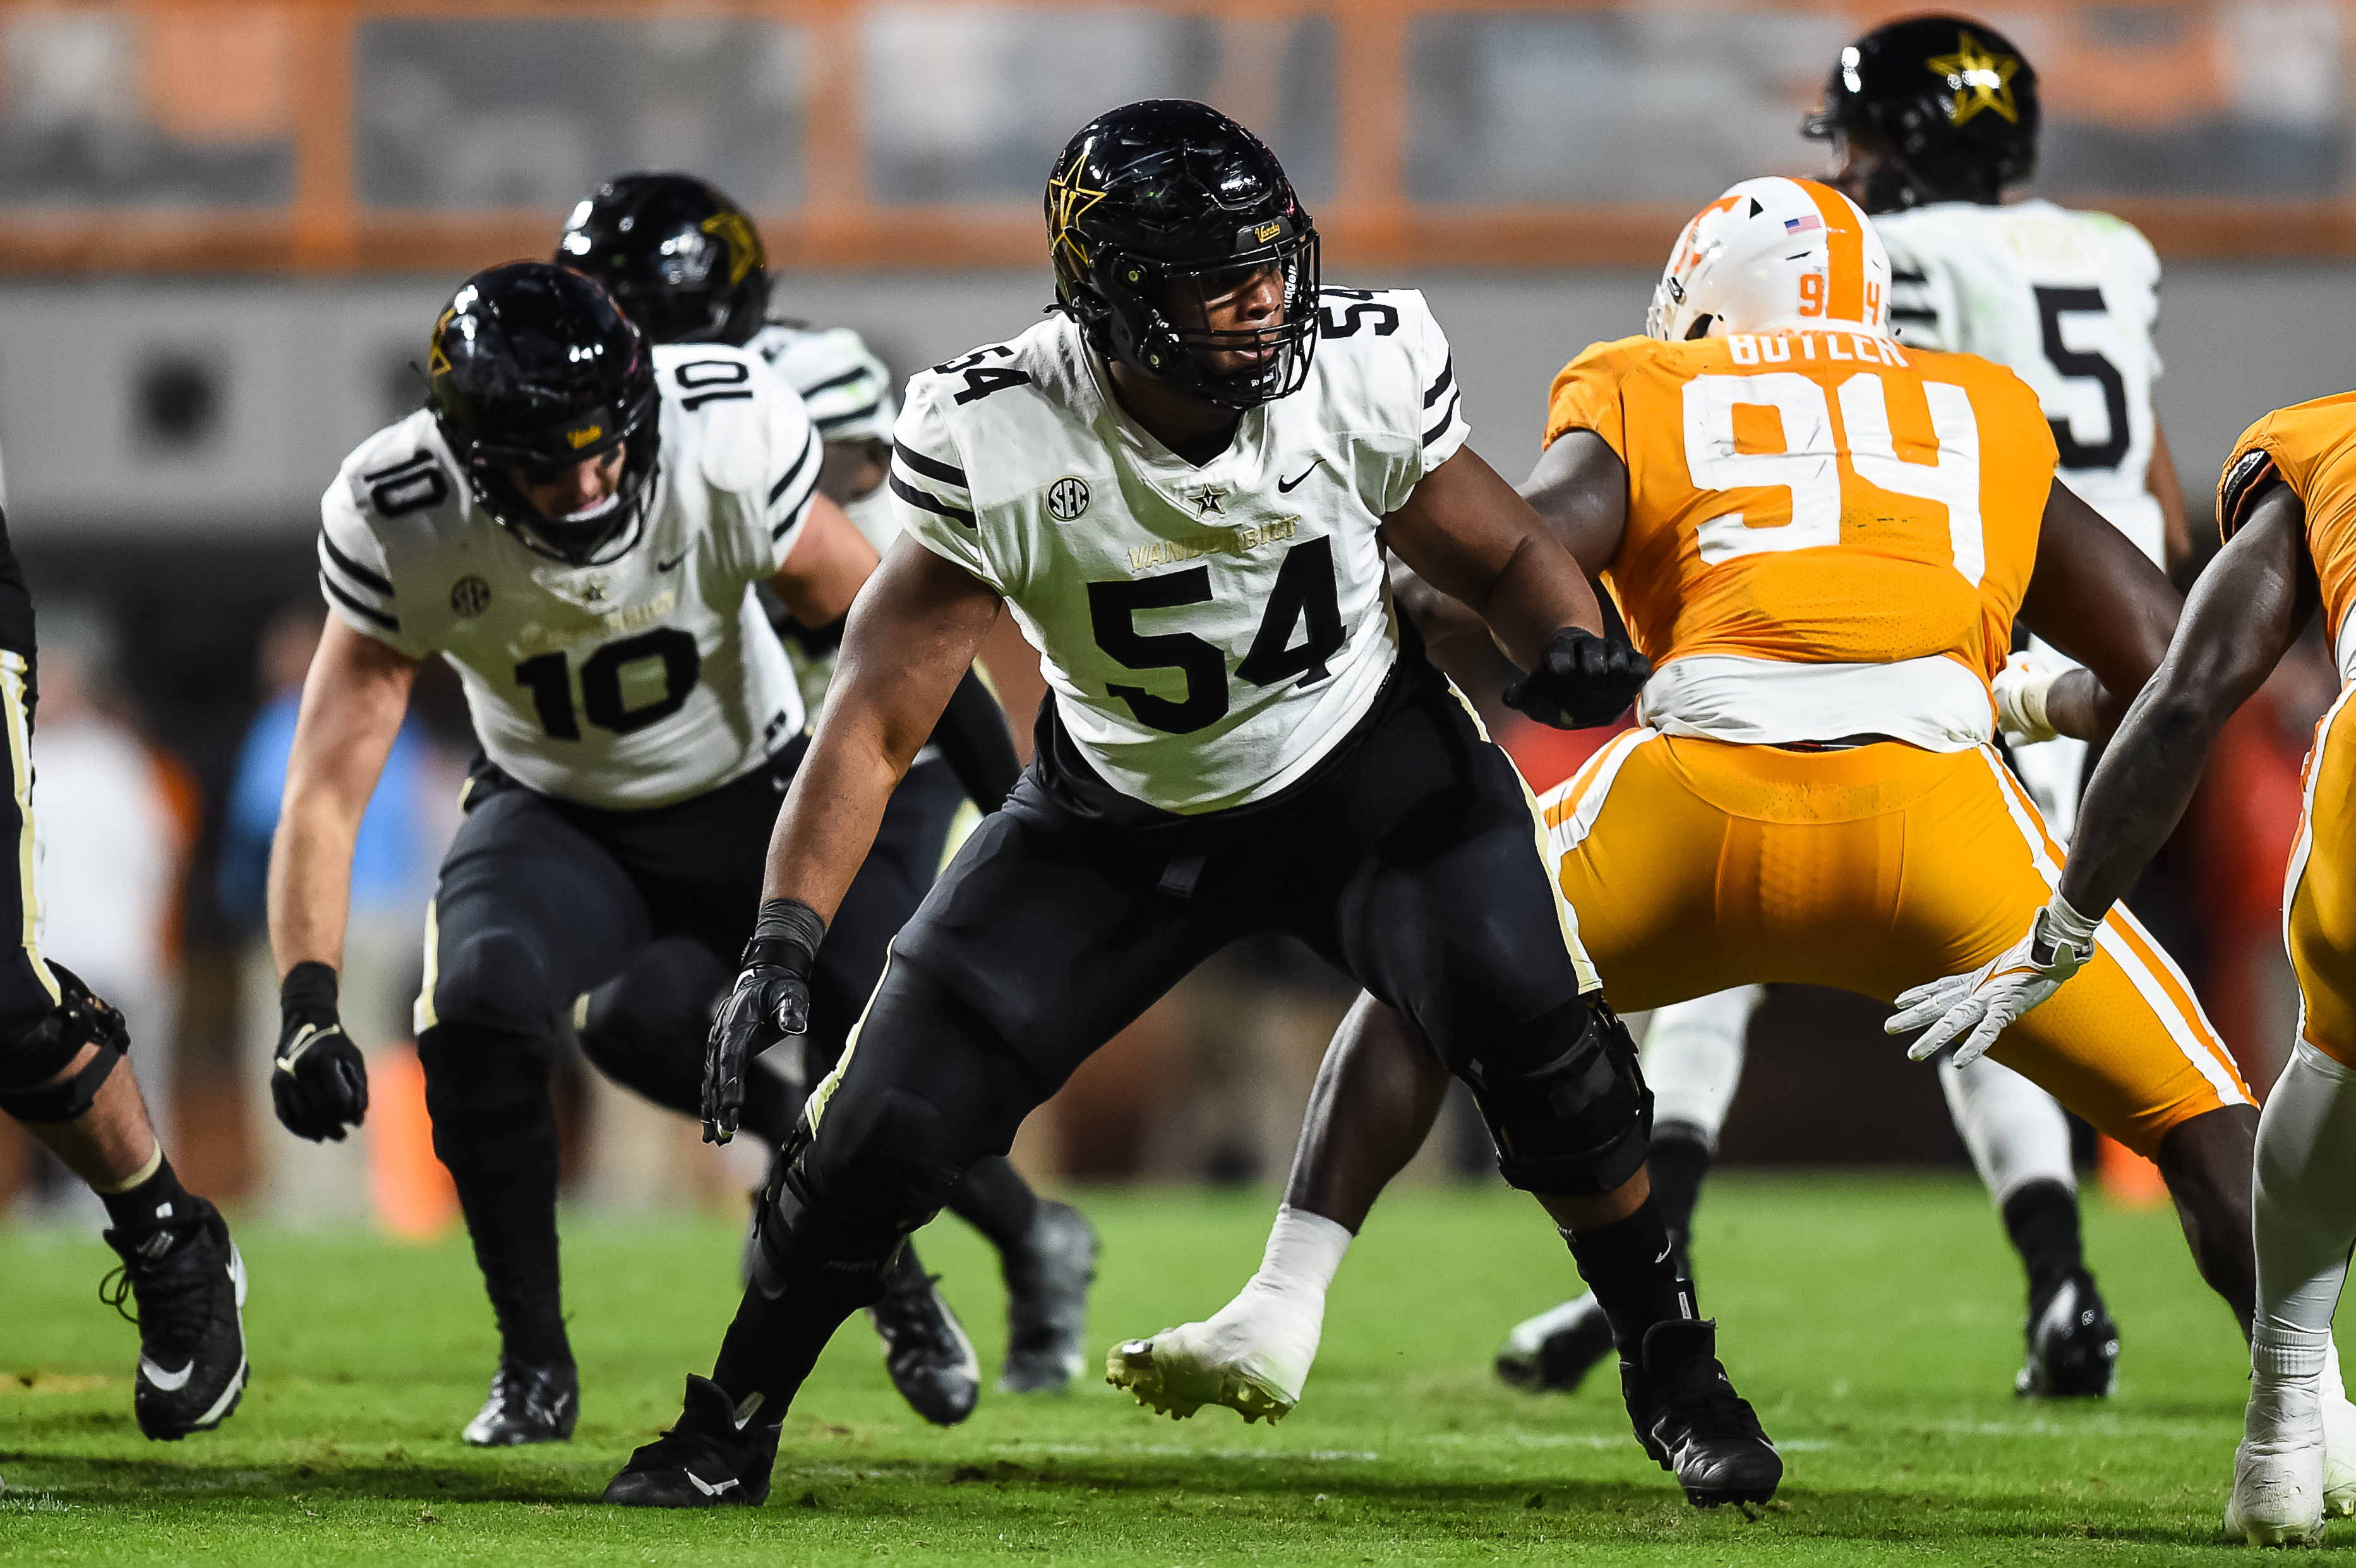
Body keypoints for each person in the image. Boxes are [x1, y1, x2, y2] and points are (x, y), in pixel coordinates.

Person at [602, 99, 1781, 1512]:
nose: (1263, 296)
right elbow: (874, 708)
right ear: (1109, 296)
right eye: (1215, 274)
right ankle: (730, 1413)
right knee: (885, 1120)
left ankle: (1671, 1362)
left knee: (1544, 1041)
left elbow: (1509, 542)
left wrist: (1560, 643)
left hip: (1365, 768)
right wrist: (783, 935)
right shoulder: (1000, 425)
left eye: (1270, 259)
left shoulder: (1350, 369)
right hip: (1114, 809)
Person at [1116, 175, 2287, 1463]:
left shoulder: (1648, 383)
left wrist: (1398, 588)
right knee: (2200, 1110)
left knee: (1422, 976)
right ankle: (2301, 1415)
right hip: (1942, 822)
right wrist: (2013, 694)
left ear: (1705, 301)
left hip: (1696, 806)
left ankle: (1280, 1302)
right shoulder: (1980, 405)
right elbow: (2164, 657)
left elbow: (1513, 552)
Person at [1499, 14, 2184, 1403]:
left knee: (1949, 974)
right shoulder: (2107, 248)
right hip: (2099, 632)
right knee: (2009, 973)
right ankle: (2057, 1283)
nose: (1851, 169)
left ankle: (1677, 1276)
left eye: (1862, 142)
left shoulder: (1896, 265)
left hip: (1952, 621)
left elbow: (1848, 416)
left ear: (1903, 146)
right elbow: (2152, 476)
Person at [272, 260, 1021, 1447]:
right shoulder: (396, 507)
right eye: (542, 462)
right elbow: (325, 777)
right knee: (475, 1010)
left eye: (602, 447)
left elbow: (898, 638)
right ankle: (533, 1363)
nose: (584, 482)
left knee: (892, 1050)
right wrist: (308, 999)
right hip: (556, 807)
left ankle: (899, 1273)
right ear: (467, 453)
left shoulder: (722, 434)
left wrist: (1020, 825)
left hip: (759, 794)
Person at [556, 172, 1095, 1417]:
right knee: (636, 1018)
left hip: (859, 760)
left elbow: (890, 602)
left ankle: (944, 1237)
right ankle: (916, 1208)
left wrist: (1019, 821)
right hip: (727, 773)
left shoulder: (808, 380)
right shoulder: (587, 421)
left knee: (872, 1019)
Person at [1901, 392, 2356, 1541]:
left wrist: (2066, 920)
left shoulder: (2322, 439)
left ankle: (2285, 1417)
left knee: (2332, 1067)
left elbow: (2184, 692)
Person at [0, 512, 246, 1440]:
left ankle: (165, 1234)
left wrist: (160, 931)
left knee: (10, 1006)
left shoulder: (115, 756)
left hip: (118, 946)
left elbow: (161, 845)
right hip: (97, 936)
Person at [220, 604, 443, 1225]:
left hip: (311, 918)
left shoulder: (288, 717)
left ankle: (309, 1196)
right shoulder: (394, 712)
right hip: (385, 913)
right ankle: (372, 1191)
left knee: (292, 1040)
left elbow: (269, 818)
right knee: (368, 1047)